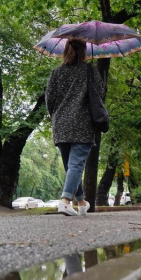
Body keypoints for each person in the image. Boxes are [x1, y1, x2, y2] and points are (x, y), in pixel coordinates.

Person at [45, 39, 104, 216]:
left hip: (61, 124)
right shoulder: (89, 70)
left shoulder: (56, 72)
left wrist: (57, 115)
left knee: (72, 166)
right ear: (84, 52)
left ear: (66, 51)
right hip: (83, 123)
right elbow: (100, 93)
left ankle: (82, 202)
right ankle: (64, 201)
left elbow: (49, 99)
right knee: (76, 165)